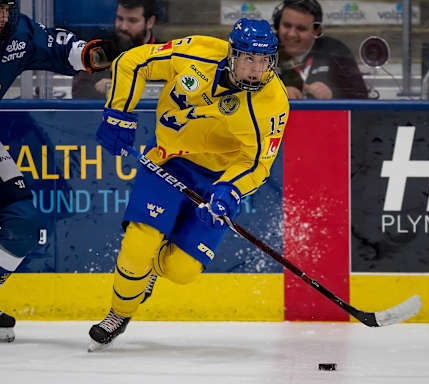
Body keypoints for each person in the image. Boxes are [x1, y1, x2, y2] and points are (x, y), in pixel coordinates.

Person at [87, 18, 289, 351]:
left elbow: (257, 163)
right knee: (138, 245)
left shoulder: (273, 104)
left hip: (216, 182)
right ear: (232, 54)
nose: (256, 69)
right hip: (169, 161)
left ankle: (150, 274)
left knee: (182, 270)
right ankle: (118, 314)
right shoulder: (197, 53)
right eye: (249, 58)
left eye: (264, 60)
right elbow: (132, 63)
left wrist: (229, 192)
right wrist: (117, 113)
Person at [0, 0, 118, 342]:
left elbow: (56, 46)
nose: (2, 16)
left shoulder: (17, 32)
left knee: (23, 221)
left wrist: (91, 54)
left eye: (5, 7)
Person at [273, 0, 368, 99]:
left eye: (301, 28)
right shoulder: (263, 50)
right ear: (277, 24)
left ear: (316, 30)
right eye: (287, 26)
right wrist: (274, 95)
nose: (292, 34)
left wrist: (333, 94)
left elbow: (362, 98)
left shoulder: (336, 51)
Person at [72, 0, 158, 99]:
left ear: (150, 22)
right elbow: (80, 91)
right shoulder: (100, 48)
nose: (123, 27)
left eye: (132, 21)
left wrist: (119, 86)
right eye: (120, 18)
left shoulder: (164, 52)